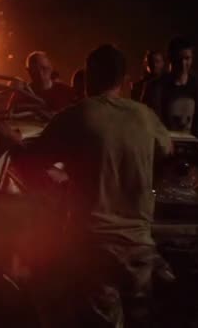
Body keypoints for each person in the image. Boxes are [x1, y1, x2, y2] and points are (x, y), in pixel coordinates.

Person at [20, 44, 172, 327]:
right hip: (140, 248)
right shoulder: (144, 117)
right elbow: (169, 153)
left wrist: (10, 141)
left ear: (89, 77)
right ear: (123, 79)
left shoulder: (78, 116)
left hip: (96, 249)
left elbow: (31, 161)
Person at [142, 37, 198, 149]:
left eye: (187, 58)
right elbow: (145, 123)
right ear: (170, 58)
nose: (183, 63)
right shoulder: (155, 88)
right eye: (179, 59)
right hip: (164, 154)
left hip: (195, 154)